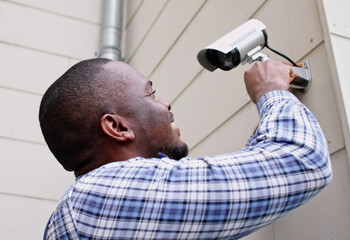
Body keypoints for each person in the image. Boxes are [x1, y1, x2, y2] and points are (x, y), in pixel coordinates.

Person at [39, 58, 332, 239]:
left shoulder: (93, 208)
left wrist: (262, 145)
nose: (166, 103)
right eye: (151, 93)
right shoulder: (98, 197)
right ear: (117, 128)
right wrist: (271, 90)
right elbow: (303, 159)